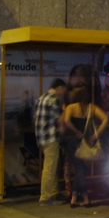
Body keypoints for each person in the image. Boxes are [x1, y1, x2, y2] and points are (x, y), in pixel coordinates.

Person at [63, 86, 109, 208]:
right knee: (81, 170)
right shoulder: (91, 108)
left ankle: (77, 198)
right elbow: (105, 118)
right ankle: (83, 197)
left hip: (74, 141)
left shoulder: (70, 107)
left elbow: (67, 121)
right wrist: (95, 134)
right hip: (88, 142)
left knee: (79, 169)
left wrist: (76, 132)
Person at [34, 78, 67, 206]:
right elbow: (59, 121)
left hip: (41, 138)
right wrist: (65, 109)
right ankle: (45, 197)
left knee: (51, 166)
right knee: (49, 167)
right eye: (63, 90)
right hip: (51, 137)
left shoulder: (41, 98)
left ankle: (54, 192)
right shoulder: (54, 100)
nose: (63, 93)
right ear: (59, 88)